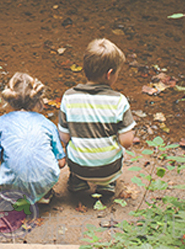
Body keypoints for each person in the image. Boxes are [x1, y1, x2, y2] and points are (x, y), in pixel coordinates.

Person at [58, 38, 136, 199]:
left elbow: (64, 137)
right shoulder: (119, 100)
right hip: (108, 168)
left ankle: (77, 181)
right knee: (117, 149)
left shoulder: (69, 97)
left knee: (73, 146)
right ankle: (106, 183)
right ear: (109, 75)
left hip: (79, 166)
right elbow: (127, 142)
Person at [0, 72, 67, 206]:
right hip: (44, 183)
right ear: (38, 100)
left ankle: (16, 193)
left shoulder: (0, 123)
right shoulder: (47, 124)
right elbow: (61, 162)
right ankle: (43, 194)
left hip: (13, 190)